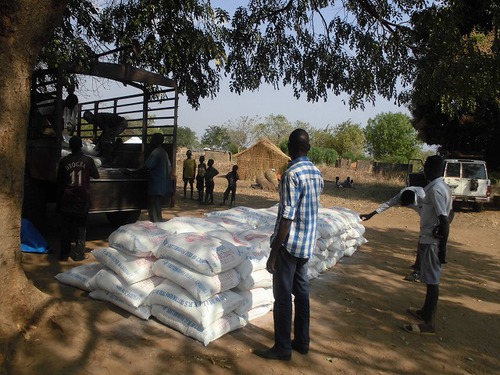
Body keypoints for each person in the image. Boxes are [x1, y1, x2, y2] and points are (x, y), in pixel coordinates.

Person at [254, 129, 324, 361]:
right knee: (302, 294)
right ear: (309, 148)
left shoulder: (291, 174)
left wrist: (273, 254)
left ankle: (283, 347)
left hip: (290, 245)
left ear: (289, 149)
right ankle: (302, 342)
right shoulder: (316, 173)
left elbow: (287, 217)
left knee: (283, 297)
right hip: (307, 245)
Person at [404, 155, 452, 335]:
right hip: (429, 238)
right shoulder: (443, 187)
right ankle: (424, 312)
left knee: (433, 282)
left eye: (426, 167)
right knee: (429, 278)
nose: (424, 171)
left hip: (432, 242)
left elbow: (444, 219)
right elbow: (450, 213)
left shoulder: (435, 190)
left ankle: (429, 323)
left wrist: (443, 249)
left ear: (431, 169)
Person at [360, 186, 426, 282]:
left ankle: (419, 272)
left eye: (405, 204)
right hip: (425, 217)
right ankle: (418, 264)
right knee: (422, 241)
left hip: (434, 217)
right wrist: (371, 214)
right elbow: (388, 204)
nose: (402, 205)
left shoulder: (423, 196)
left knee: (425, 243)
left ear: (412, 202)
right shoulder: (401, 195)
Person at [56, 136, 100, 261]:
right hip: (82, 199)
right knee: (81, 228)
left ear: (69, 147)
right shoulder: (88, 160)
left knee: (66, 228)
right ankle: (79, 255)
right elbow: (96, 176)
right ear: (81, 146)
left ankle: (64, 255)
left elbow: (59, 183)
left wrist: (59, 203)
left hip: (67, 198)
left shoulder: (64, 161)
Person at [144, 133, 172, 222]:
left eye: (152, 139)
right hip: (162, 185)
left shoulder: (156, 152)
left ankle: (156, 228)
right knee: (158, 209)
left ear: (155, 141)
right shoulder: (164, 152)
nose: (150, 141)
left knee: (154, 210)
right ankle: (158, 226)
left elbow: (148, 166)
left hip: (156, 185)